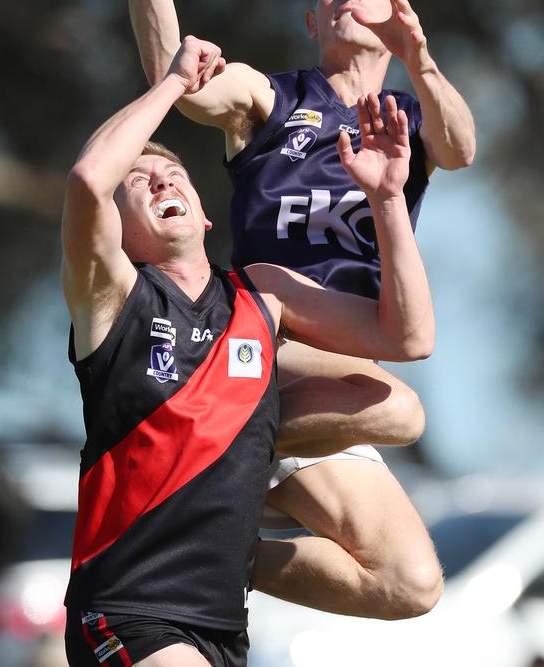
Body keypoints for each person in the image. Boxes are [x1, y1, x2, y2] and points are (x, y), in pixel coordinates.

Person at [101, 0, 476, 620]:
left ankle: (193, 530)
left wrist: (422, 56)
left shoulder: (408, 117)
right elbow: (175, 71)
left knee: (410, 584)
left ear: (397, 9)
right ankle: (200, 436)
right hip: (260, 341)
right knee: (398, 406)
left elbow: (463, 144)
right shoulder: (276, 100)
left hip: (323, 384)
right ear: (312, 20)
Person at [61, 34, 434, 667]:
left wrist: (389, 200)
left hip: (223, 626)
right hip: (129, 609)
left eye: (173, 174)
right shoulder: (113, 298)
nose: (158, 182)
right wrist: (176, 84)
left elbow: (407, 339)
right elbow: (90, 178)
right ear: (115, 232)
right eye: (139, 184)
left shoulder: (262, 295)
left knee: (411, 550)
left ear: (207, 216)